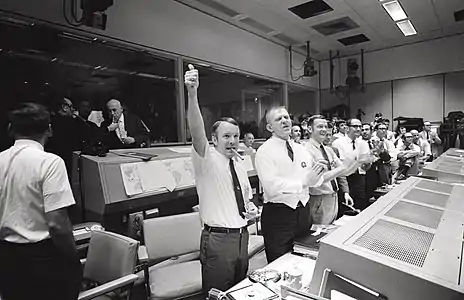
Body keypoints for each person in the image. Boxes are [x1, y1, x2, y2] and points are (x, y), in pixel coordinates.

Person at [185, 64, 258, 294]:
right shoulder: (206, 158)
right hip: (217, 241)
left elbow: (245, 199)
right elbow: (196, 129)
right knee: (217, 295)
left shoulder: (238, 162)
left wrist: (252, 209)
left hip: (241, 237)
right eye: (226, 136)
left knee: (238, 292)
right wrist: (193, 93)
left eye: (235, 136)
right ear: (214, 140)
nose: (232, 141)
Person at [0, 103, 81, 300]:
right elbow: (57, 223)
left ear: (11, 129)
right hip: (42, 258)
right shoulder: (51, 162)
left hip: (6, 257)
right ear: (49, 130)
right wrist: (73, 257)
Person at [255, 106, 326, 263]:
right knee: (279, 263)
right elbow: (271, 187)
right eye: (278, 119)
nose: (284, 121)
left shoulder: (300, 149)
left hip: (303, 213)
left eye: (286, 117)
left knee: (303, 258)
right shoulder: (264, 151)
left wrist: (319, 172)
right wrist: (303, 182)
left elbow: (312, 179)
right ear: (269, 127)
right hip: (279, 216)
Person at [304, 115, 358, 224]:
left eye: (325, 126)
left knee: (330, 231)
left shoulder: (329, 150)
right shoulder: (305, 151)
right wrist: (343, 166)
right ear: (310, 129)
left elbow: (345, 172)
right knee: (319, 234)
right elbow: (318, 180)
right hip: (319, 199)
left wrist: (357, 160)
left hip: (333, 196)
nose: (324, 129)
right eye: (320, 126)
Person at [332, 119, 373, 210]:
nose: (358, 129)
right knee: (346, 206)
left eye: (360, 126)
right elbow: (340, 165)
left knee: (360, 204)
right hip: (346, 178)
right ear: (347, 128)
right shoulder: (338, 143)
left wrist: (368, 163)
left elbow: (366, 164)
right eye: (355, 126)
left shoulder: (363, 144)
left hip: (360, 178)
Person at [46, 97, 88, 177]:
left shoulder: (50, 121)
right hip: (68, 161)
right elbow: (87, 132)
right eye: (71, 106)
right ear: (64, 107)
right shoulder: (71, 123)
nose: (73, 109)